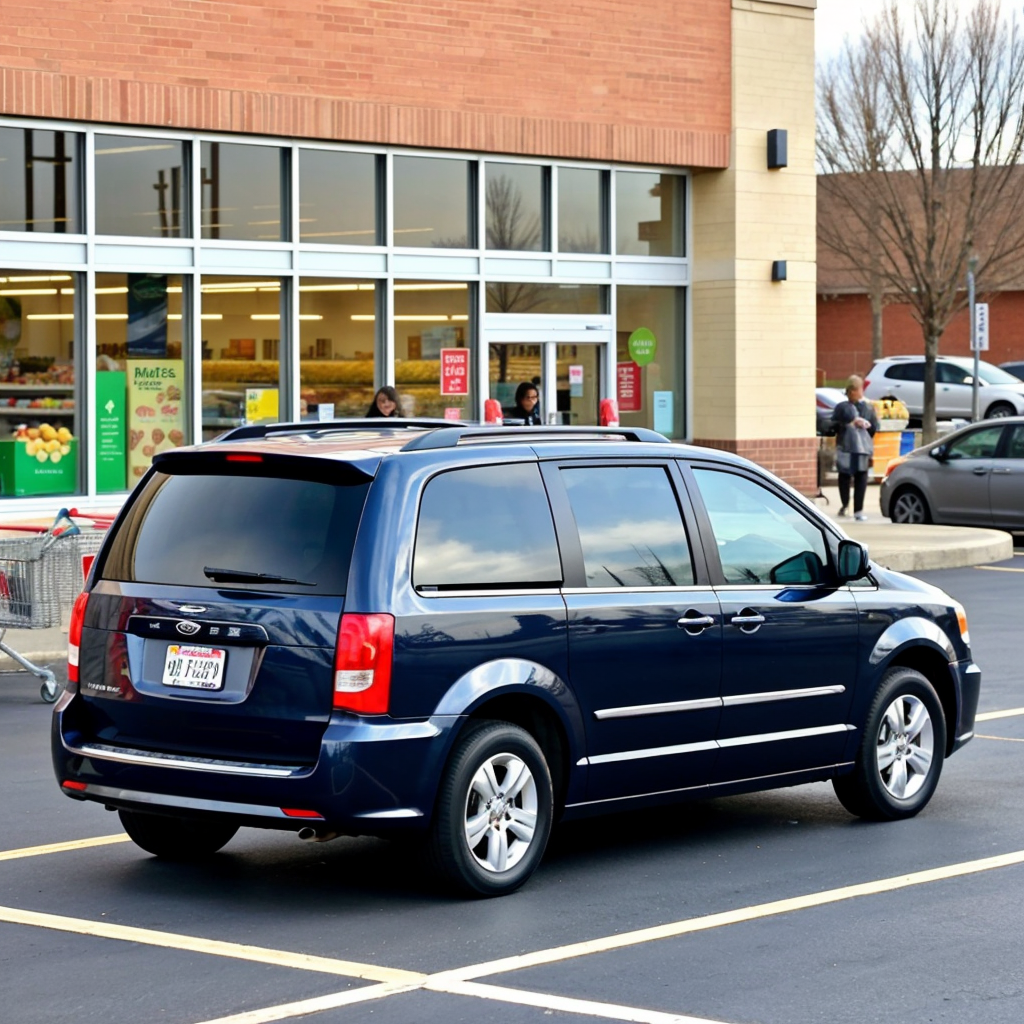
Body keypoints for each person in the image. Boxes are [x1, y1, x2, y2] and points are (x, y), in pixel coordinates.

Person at [831, 374, 879, 520]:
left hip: (852, 448)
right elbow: (873, 428)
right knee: (853, 476)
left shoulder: (852, 408)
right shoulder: (855, 408)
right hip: (854, 448)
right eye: (859, 389)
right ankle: (852, 508)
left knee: (852, 477)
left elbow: (833, 426)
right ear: (852, 391)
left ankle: (851, 507)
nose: (861, 392)